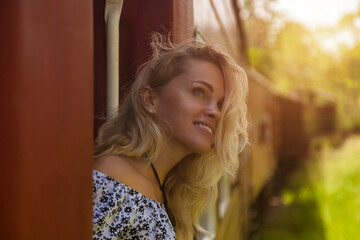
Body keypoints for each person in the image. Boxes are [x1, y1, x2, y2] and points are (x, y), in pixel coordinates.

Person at [92, 33, 248, 240]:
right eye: (199, 92)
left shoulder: (164, 188)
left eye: (220, 104)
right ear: (150, 100)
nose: (215, 112)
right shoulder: (113, 180)